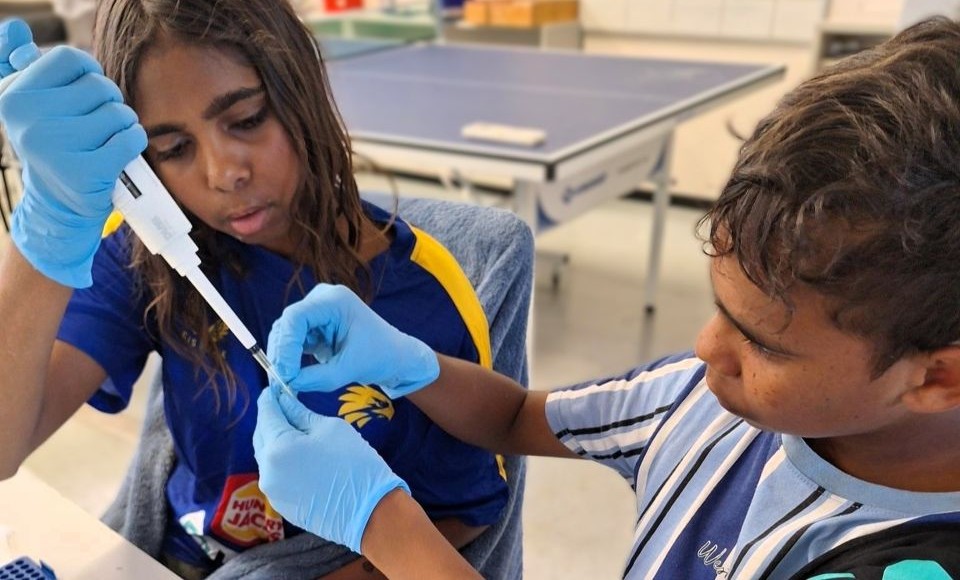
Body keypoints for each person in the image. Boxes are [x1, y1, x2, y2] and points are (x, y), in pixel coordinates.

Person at [252, 16, 960, 580]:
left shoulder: (903, 563)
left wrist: (383, 525)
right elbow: (515, 418)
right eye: (721, 309)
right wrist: (413, 367)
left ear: (938, 377)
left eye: (763, 342)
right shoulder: (702, 398)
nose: (707, 347)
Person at [0, 0, 520, 577]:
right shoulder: (143, 256)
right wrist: (44, 238)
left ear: (301, 88)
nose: (224, 172)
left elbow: (467, 511)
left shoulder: (422, 293)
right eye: (173, 149)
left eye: (246, 120)